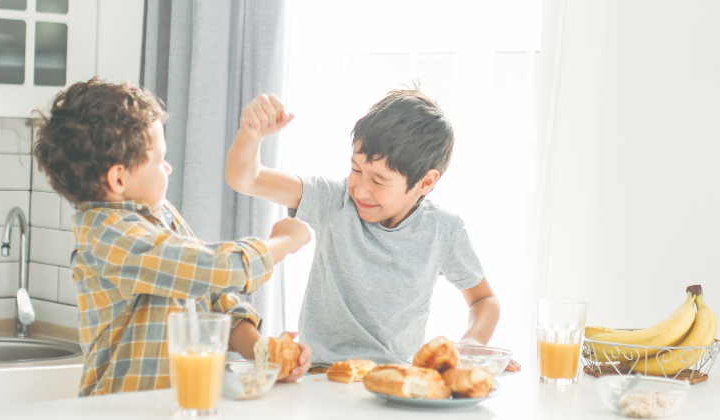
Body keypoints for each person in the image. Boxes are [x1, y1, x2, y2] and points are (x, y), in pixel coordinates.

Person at [32, 78, 313, 397]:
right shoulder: (110, 237)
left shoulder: (160, 216)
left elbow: (212, 298)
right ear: (119, 177)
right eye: (158, 159)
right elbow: (211, 269)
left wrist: (265, 356)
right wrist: (283, 242)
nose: (167, 168)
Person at [225, 88, 520, 371]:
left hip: (394, 382)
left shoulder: (443, 230)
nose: (361, 190)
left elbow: (484, 299)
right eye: (356, 169)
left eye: (379, 181)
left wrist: (471, 344)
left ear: (425, 183)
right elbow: (246, 179)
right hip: (320, 375)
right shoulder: (333, 201)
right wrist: (250, 136)